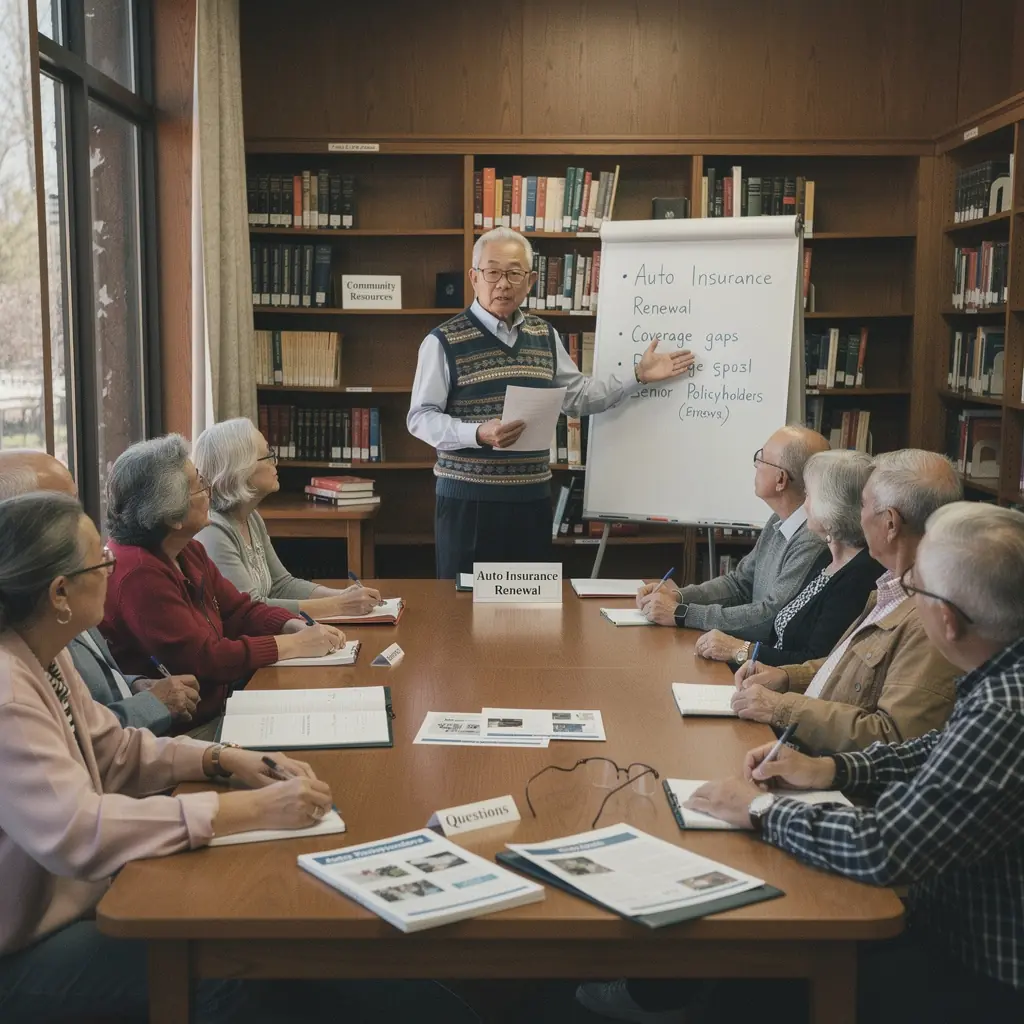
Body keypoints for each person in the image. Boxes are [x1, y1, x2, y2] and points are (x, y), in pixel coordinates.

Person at [0, 491, 478, 1024]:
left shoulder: (44, 651)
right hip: (26, 949)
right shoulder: (9, 694)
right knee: (230, 971)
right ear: (59, 592)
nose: (113, 566)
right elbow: (78, 831)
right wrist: (252, 811)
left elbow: (113, 749)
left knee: (275, 944)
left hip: (75, 904)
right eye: (100, 561)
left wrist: (222, 759)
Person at [678, 502, 1024, 1023]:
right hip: (951, 928)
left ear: (947, 620)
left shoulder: (1004, 710)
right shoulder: (1002, 676)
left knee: (751, 989)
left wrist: (761, 811)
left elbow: (885, 848)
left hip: (978, 969)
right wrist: (834, 770)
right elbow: (939, 749)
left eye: (917, 590)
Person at [407, 226, 695, 578]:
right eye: (493, 272)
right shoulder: (443, 341)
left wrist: (638, 375)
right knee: (463, 614)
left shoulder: (544, 336)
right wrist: (479, 433)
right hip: (469, 502)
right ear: (474, 277)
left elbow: (578, 396)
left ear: (530, 281)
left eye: (514, 274)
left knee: (530, 619)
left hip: (531, 502)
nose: (503, 284)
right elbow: (420, 418)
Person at [99, 435, 346, 737]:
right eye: (198, 485)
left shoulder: (186, 549)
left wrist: (291, 625)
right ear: (171, 515)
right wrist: (293, 645)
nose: (208, 492)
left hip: (222, 706)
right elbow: (206, 659)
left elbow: (239, 610)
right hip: (183, 731)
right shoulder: (138, 575)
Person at [729, 449, 962, 754]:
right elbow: (852, 672)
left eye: (864, 505)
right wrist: (788, 677)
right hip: (809, 751)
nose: (858, 515)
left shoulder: (928, 617)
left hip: (835, 776)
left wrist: (782, 708)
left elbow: (894, 740)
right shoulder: (893, 588)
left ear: (890, 524)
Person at [0, 449, 198, 735]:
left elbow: (95, 694)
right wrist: (154, 705)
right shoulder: (37, 618)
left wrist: (134, 684)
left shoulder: (68, 588)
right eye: (63, 509)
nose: (80, 519)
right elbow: (85, 739)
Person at [637, 425, 830, 641]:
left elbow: (769, 618)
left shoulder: (811, 541)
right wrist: (678, 596)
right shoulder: (778, 519)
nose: (756, 464)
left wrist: (681, 613)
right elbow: (739, 584)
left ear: (781, 480)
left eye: (762, 458)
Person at [693, 449, 882, 667]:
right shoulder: (827, 559)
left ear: (831, 508)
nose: (804, 505)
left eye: (809, 496)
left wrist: (739, 649)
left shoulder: (858, 578)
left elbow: (812, 664)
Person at [194, 418, 381, 615]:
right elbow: (250, 610)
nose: (275, 462)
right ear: (241, 469)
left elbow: (282, 584)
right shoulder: (213, 530)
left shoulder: (251, 518)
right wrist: (340, 605)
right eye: (267, 456)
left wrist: (341, 595)